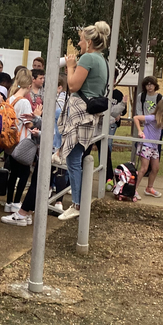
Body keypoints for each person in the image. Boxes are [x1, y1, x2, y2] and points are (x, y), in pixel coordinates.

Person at [57, 22, 110, 222]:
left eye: (80, 40)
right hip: (89, 114)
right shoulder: (102, 60)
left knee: (73, 159)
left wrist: (71, 67)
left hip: (80, 113)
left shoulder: (88, 58)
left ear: (88, 42)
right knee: (75, 155)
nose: (78, 44)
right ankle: (59, 153)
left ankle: (77, 204)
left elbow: (72, 85)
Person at [5, 69, 39, 211]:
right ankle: (16, 201)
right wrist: (37, 115)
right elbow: (28, 123)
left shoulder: (10, 99)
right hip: (22, 141)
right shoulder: (24, 102)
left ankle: (8, 202)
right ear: (29, 86)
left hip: (11, 141)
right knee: (24, 174)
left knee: (13, 173)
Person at [132, 99, 163, 199]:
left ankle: (149, 188)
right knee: (144, 168)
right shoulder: (151, 118)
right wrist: (140, 131)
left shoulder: (161, 121)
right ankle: (134, 189)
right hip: (146, 145)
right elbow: (136, 118)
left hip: (154, 147)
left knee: (155, 168)